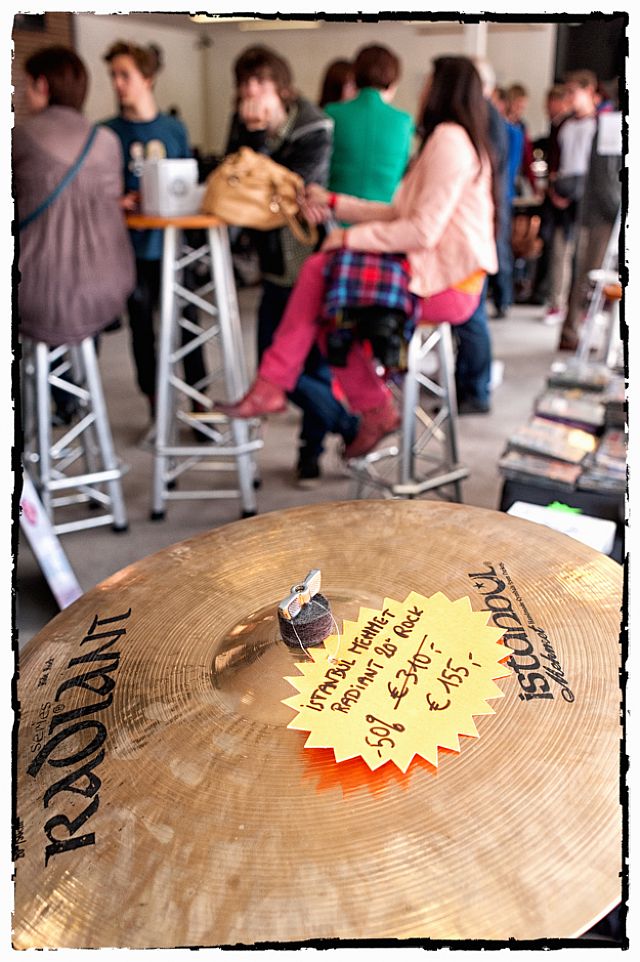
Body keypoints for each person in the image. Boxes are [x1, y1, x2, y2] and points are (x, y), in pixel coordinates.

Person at [215, 56, 497, 458]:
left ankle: (282, 388)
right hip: (431, 268)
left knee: (320, 273)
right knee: (329, 303)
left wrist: (348, 239)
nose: (421, 91)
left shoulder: (448, 140)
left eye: (428, 82)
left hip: (445, 280)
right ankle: (326, 399)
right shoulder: (440, 136)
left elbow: (421, 230)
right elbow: (400, 213)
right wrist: (335, 204)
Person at [224, 45, 359, 483]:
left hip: (309, 258)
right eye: (245, 83)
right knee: (273, 366)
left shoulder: (313, 124)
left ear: (280, 86)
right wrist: (252, 137)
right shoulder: (243, 122)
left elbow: (290, 191)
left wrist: (257, 144)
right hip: (272, 261)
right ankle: (350, 426)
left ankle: (312, 453)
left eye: (260, 82)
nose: (251, 91)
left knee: (309, 366)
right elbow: (234, 180)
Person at [102, 40, 207, 421]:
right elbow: (100, 192)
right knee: (141, 329)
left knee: (187, 325)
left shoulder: (174, 130)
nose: (118, 84)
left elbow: (188, 185)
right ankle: (155, 404)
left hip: (173, 247)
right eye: (113, 76)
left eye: (125, 75)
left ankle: (198, 401)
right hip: (130, 250)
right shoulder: (106, 134)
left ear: (147, 78)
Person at [13, 46, 135, 358]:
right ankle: (71, 383)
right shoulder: (107, 140)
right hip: (107, 286)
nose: (23, 93)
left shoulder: (21, 138)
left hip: (37, 293)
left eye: (26, 84)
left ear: (42, 85)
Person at [558, 88, 622, 351]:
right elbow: (606, 179)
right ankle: (570, 332)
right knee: (589, 274)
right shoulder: (612, 126)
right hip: (602, 217)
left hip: (609, 213)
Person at [323, 44, 414, 204]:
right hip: (383, 213)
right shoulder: (404, 122)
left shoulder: (331, 113)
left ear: (354, 75)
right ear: (393, 80)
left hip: (333, 209)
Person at [543, 69, 599, 326]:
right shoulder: (564, 125)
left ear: (589, 91)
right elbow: (554, 161)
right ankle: (557, 302)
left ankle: (583, 306)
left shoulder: (598, 125)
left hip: (587, 193)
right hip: (563, 189)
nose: (569, 97)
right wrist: (554, 189)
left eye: (573, 92)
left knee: (585, 254)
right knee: (560, 251)